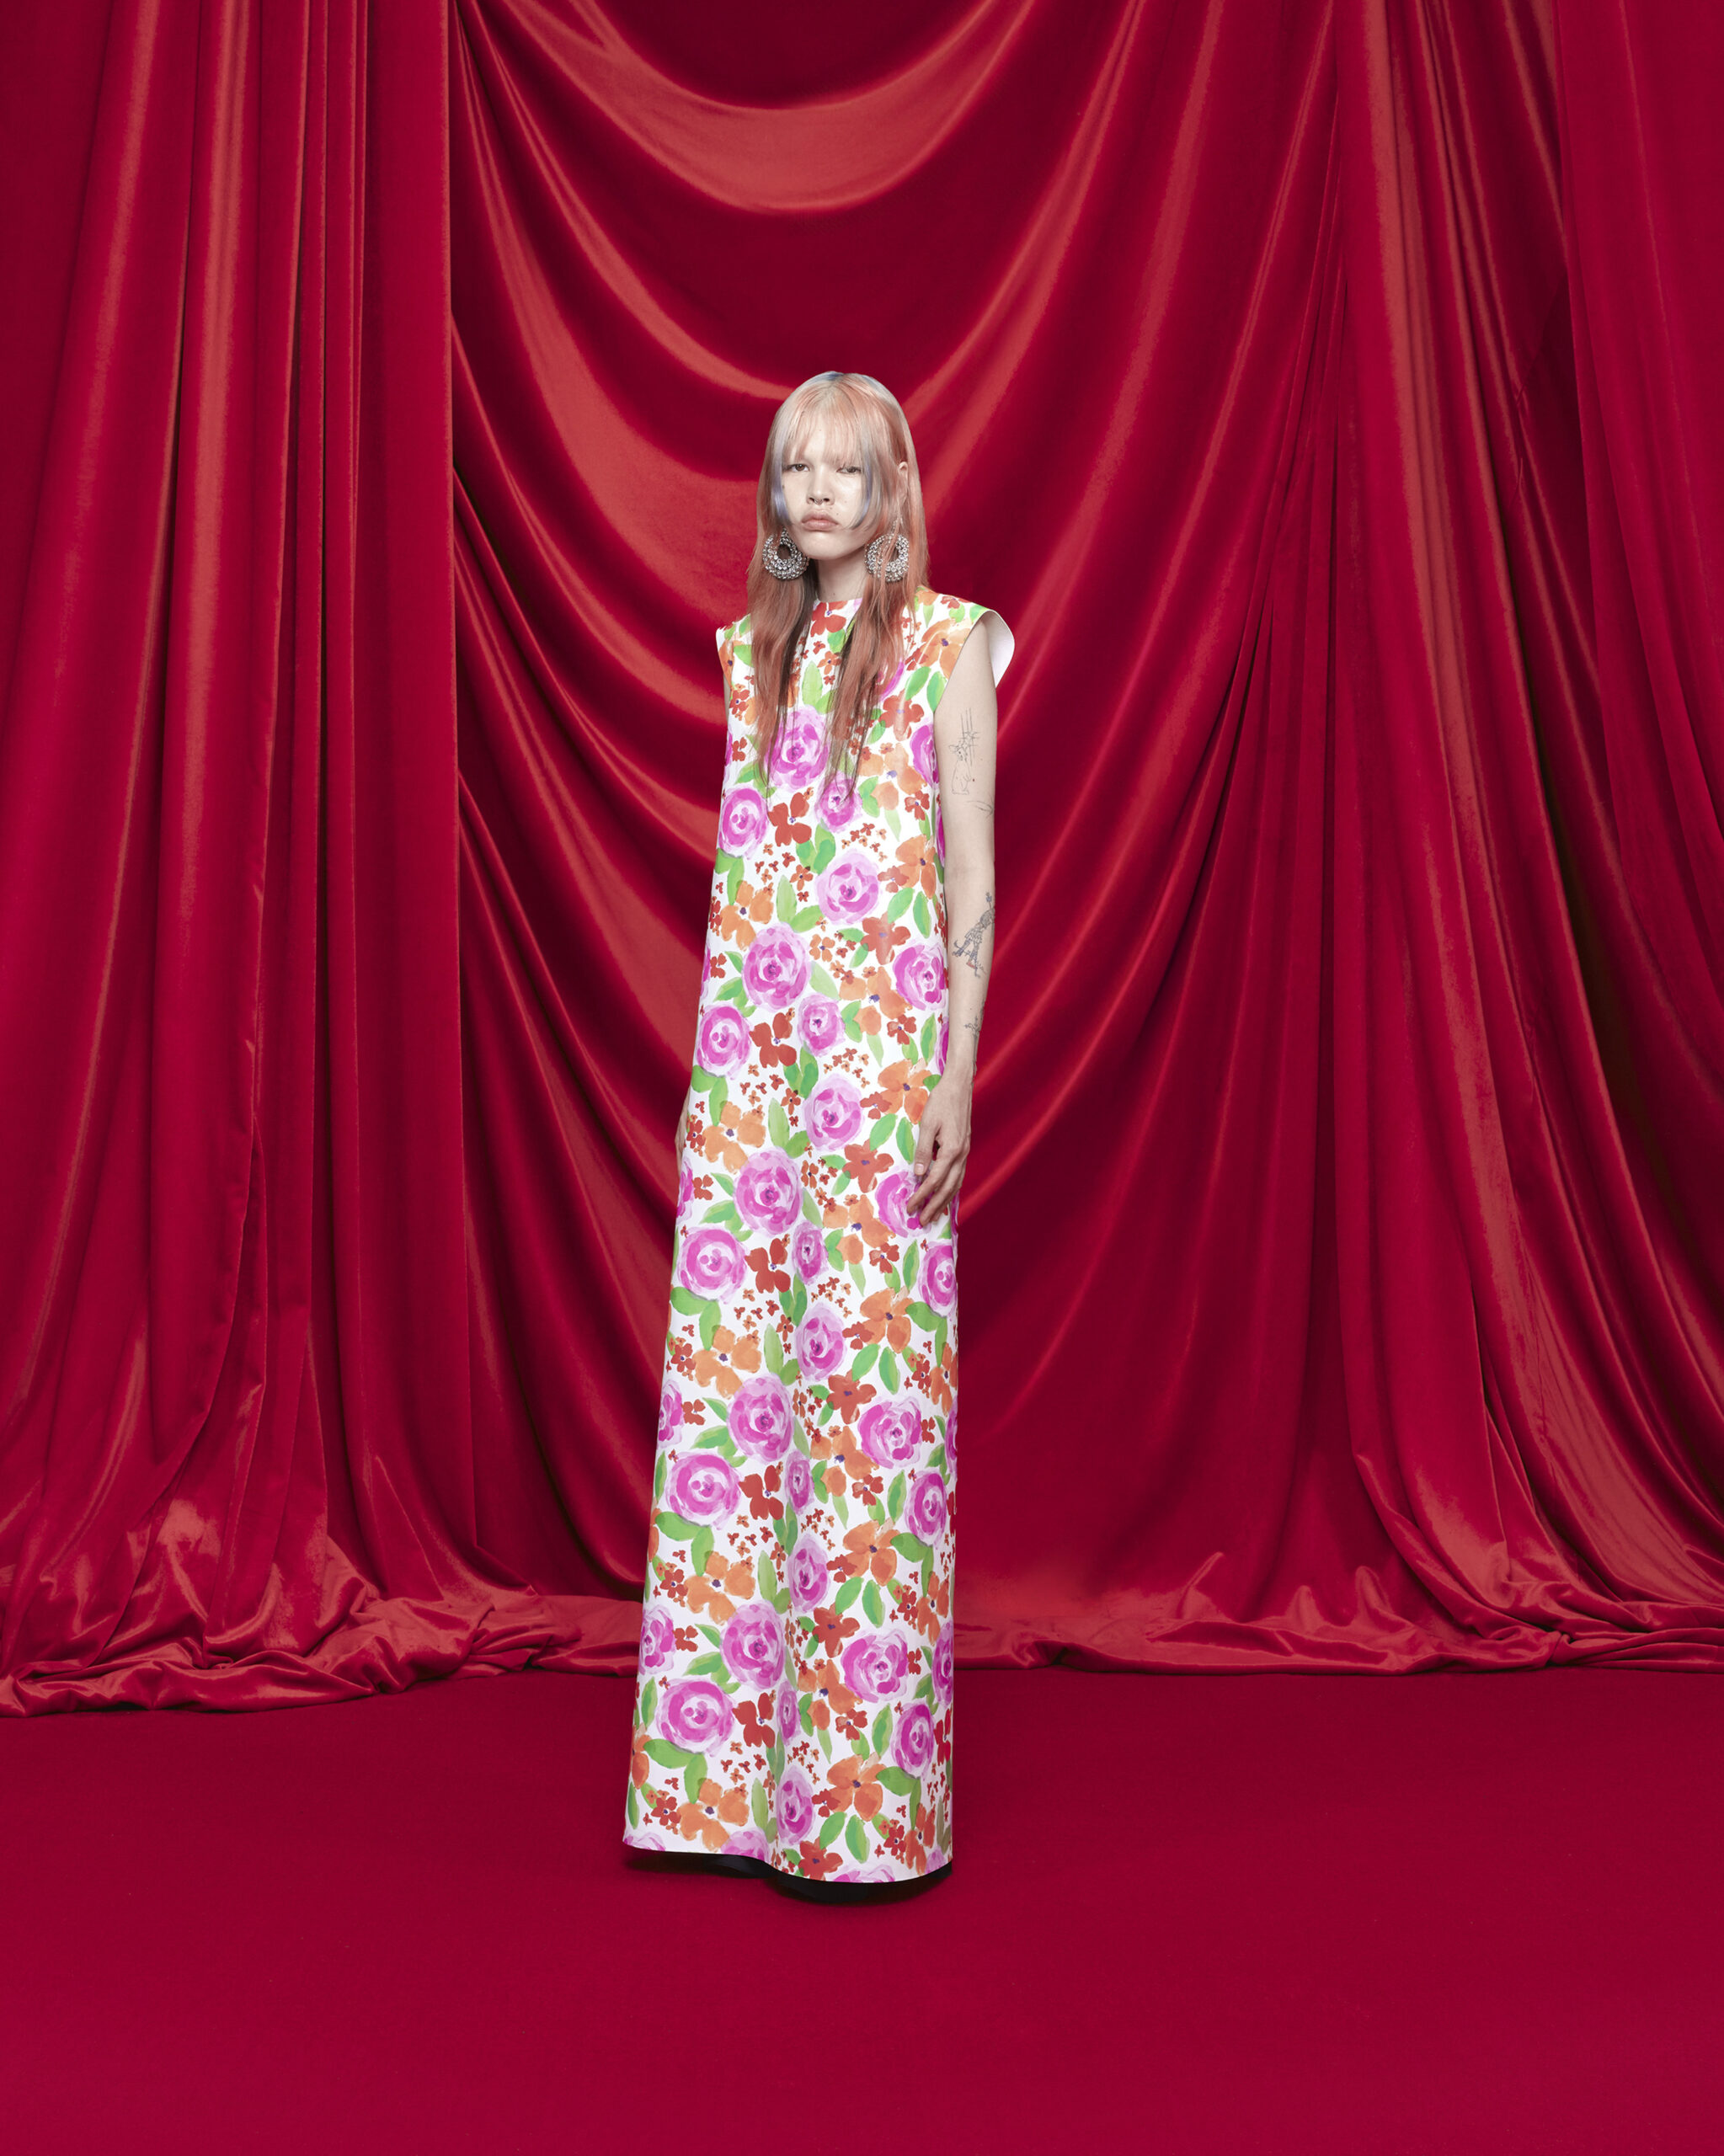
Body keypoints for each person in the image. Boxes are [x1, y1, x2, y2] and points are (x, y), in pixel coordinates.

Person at [622, 371, 1012, 1900]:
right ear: (777, 496)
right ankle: (715, 1795)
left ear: (892, 488)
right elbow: (745, 887)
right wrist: (710, 1080)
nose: (822, 494)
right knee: (739, 1411)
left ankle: (863, 1814)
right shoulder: (750, 657)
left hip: (882, 1083)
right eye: (799, 471)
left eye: (849, 470)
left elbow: (970, 878)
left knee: (870, 1412)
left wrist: (954, 1079)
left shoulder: (954, 644)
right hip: (752, 1089)